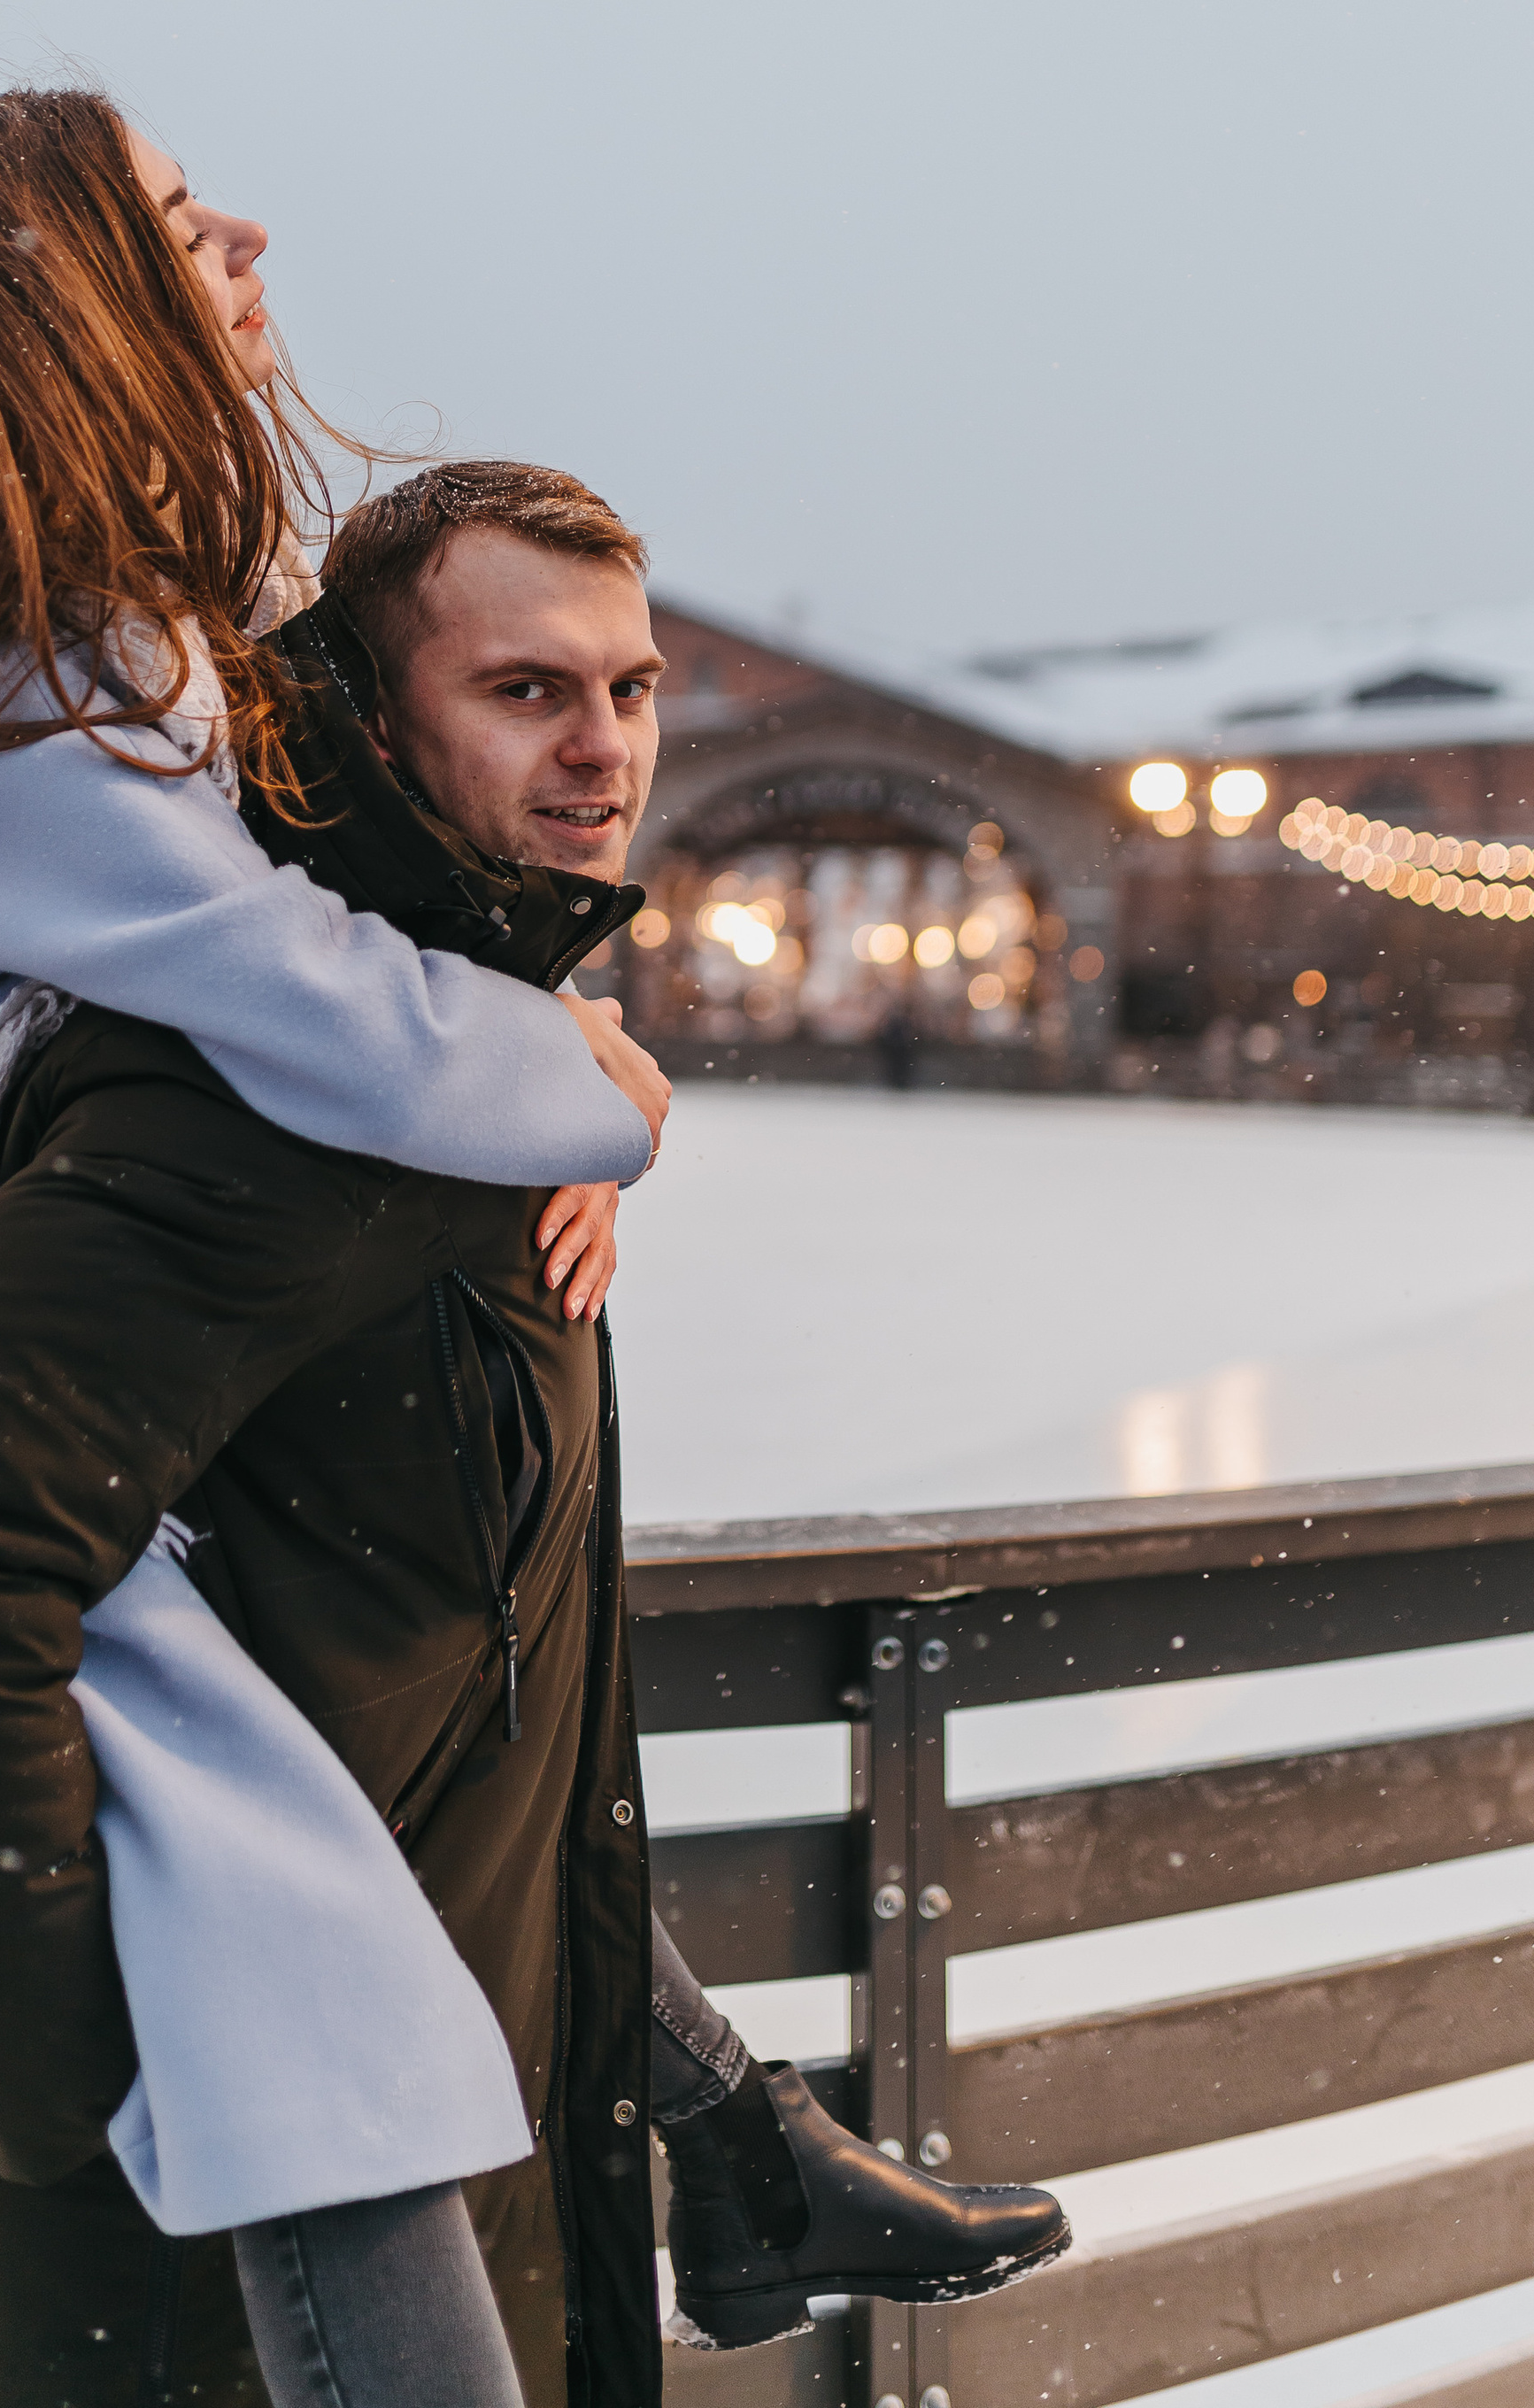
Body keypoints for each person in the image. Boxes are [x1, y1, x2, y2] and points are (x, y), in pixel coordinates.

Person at [0, 90, 670, 2408]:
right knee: (277, 1962)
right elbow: (315, 1000)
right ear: (79, 304)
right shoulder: (38, 711)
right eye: (179, 216)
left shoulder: (88, 658)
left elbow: (343, 923)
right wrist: (586, 1079)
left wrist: (548, 1047)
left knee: (298, 1928)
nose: (244, 228)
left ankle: (709, 2121)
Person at [320, 469, 1070, 2357]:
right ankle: (751, 2147)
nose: (605, 743)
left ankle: (747, 2145)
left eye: (633, 689)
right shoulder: (302, 1059)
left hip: (443, 1978)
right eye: (526, 690)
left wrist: (547, 1067)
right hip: (311, 2033)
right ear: (369, 716)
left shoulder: (473, 1030)